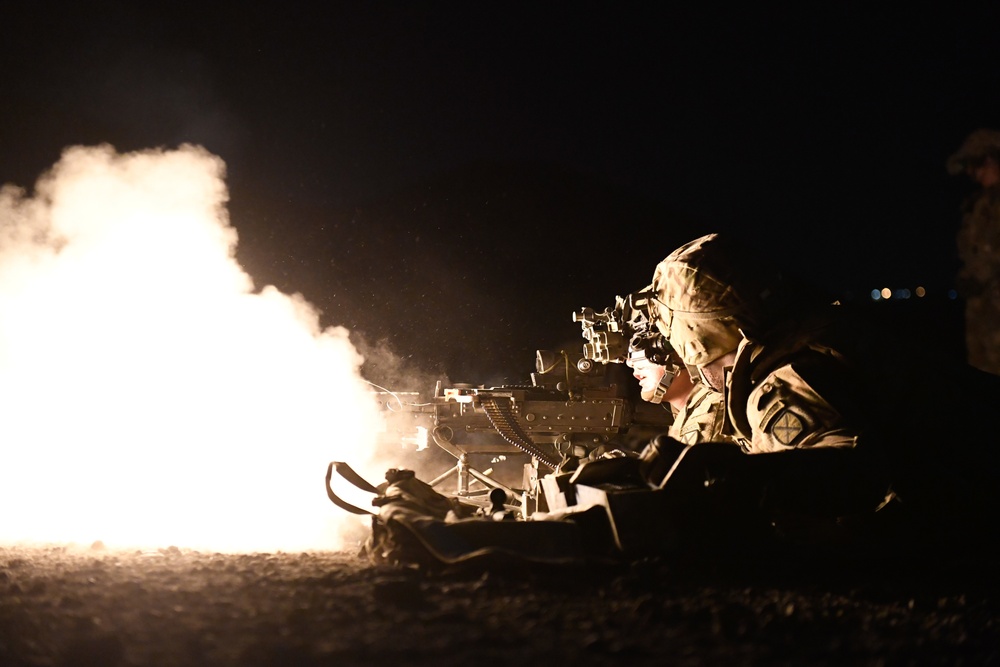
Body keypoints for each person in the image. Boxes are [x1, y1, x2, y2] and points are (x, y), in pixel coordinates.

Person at [643, 232, 1000, 555]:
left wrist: (745, 477)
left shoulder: (784, 380)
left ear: (692, 332)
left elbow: (853, 468)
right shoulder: (815, 334)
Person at [947, 128, 1000, 375]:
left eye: (977, 164)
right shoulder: (978, 205)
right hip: (982, 314)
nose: (973, 174)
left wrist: (981, 274)